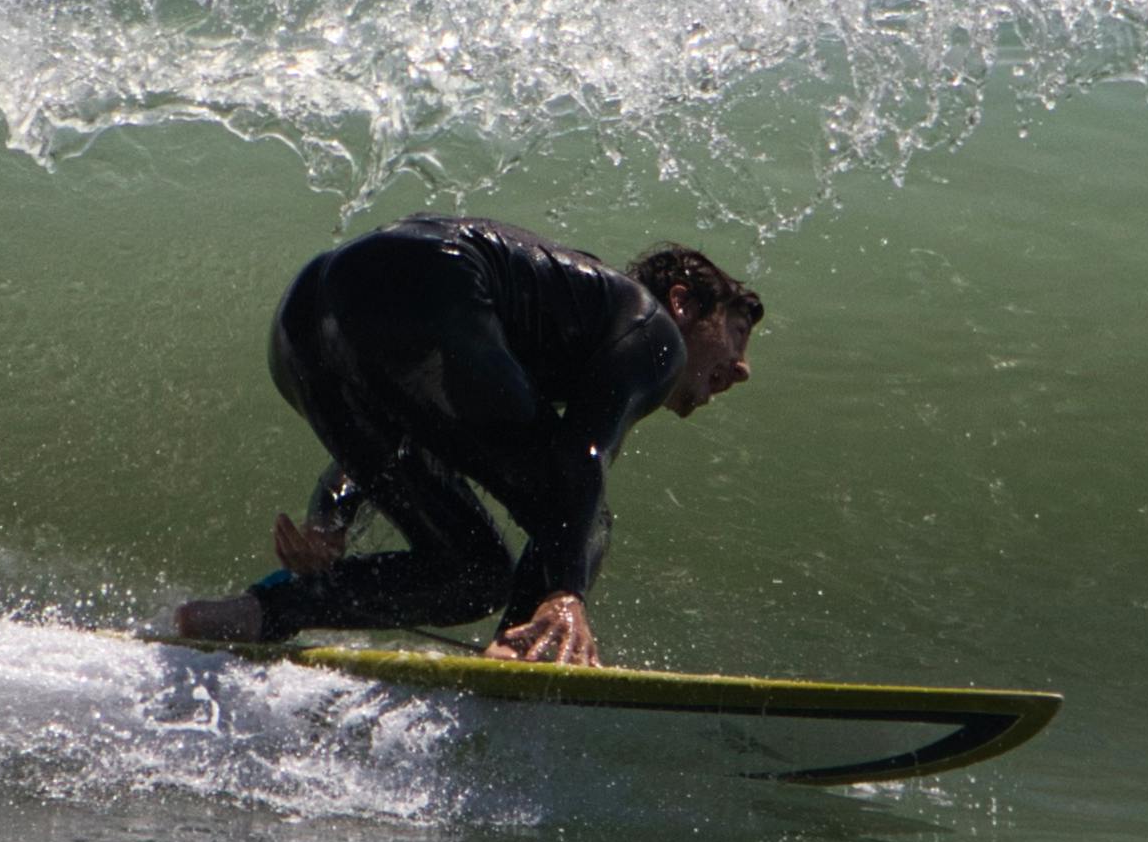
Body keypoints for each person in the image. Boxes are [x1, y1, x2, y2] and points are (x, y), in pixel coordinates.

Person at [163, 216, 759, 666]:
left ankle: (255, 612)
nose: (742, 369)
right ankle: (523, 647)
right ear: (681, 302)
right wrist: (564, 591)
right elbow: (582, 458)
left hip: (303, 326)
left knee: (470, 571)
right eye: (735, 333)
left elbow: (395, 438)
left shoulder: (551, 331)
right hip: (431, 283)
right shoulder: (654, 329)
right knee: (585, 517)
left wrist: (329, 522)